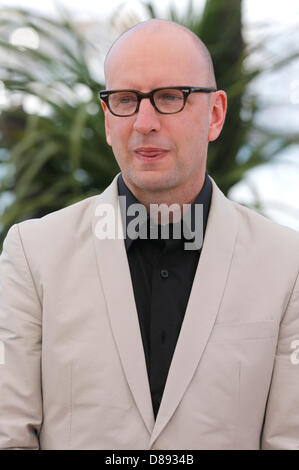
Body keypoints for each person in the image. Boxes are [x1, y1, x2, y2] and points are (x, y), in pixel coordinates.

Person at [0, 18, 299, 451]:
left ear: (214, 115)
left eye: (169, 97)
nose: (143, 122)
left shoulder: (285, 263)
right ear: (107, 119)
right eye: (125, 100)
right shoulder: (35, 254)